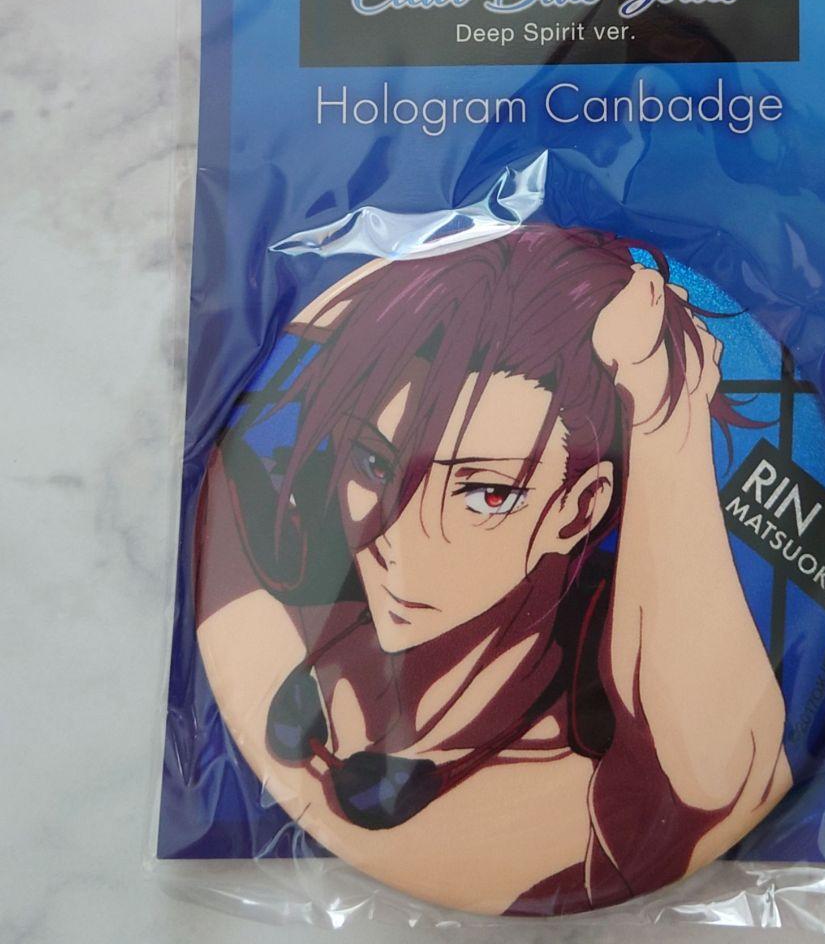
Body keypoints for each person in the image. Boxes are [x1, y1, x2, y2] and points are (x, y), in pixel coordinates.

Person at [195, 224, 791, 915]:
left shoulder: (594, 789)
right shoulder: (273, 614)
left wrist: (664, 418)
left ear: (578, 509)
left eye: (486, 494)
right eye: (375, 463)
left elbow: (722, 769)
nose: (398, 540)